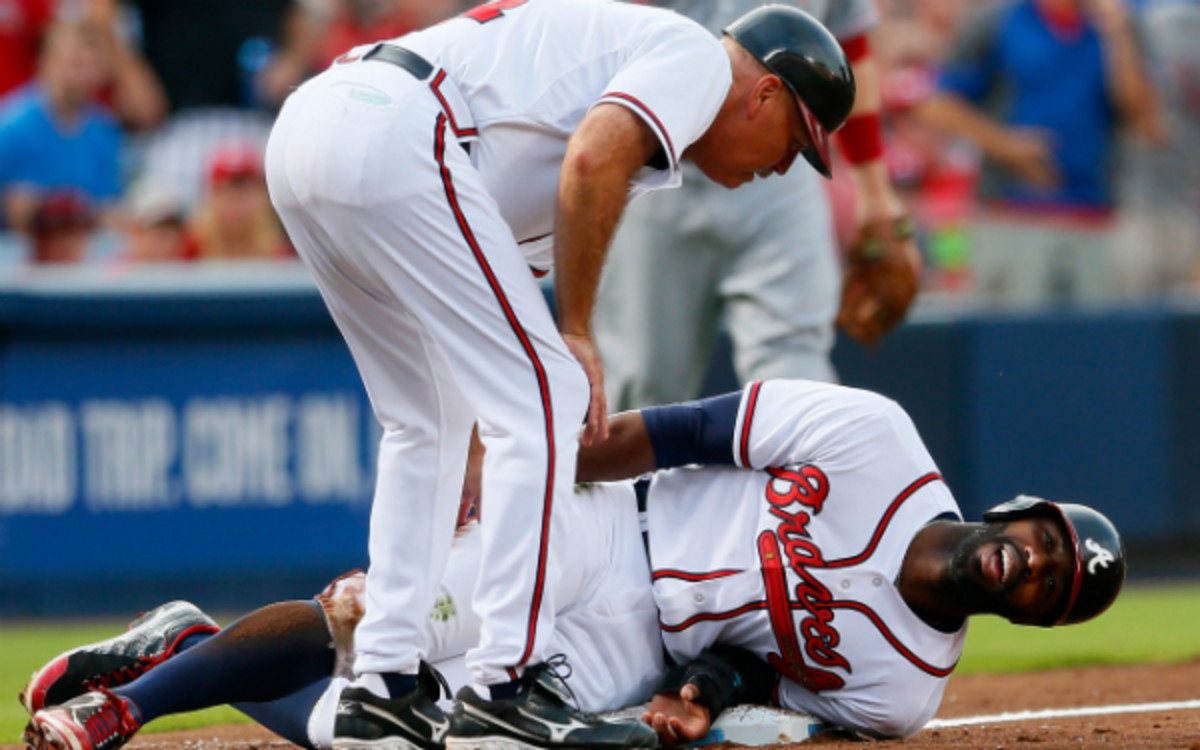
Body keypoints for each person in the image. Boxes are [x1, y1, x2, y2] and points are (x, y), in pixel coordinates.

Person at [264, 2, 855, 749]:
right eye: (795, 140)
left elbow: (509, 276)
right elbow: (591, 156)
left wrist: (486, 463)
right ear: (764, 93)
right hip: (399, 130)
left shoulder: (639, 121)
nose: (782, 166)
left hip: (316, 131)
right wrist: (574, 332)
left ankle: (381, 685)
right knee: (550, 392)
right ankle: (506, 688)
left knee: (431, 422)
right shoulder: (699, 60)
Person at [21, 379, 1128, 750]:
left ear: (1034, 618)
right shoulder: (877, 440)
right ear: (1017, 513)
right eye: (1042, 544)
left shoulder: (903, 694)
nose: (1030, 567)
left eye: (1050, 586)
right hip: (607, 528)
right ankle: (129, 711)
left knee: (383, 732)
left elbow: (756, 680)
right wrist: (522, 465)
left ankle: (194, 642)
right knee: (382, 628)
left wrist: (700, 696)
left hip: (630, 658)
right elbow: (688, 429)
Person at [595, 0, 922, 412]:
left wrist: (876, 195)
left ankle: (804, 478)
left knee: (796, 377)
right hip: (659, 164)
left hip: (782, 169)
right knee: (641, 384)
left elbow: (849, 48)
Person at [916, 0, 1158, 308]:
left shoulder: (1119, 23)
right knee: (1011, 342)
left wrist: (1118, 33)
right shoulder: (999, 19)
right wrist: (1006, 145)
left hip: (1095, 217)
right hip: (1013, 214)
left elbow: (1145, 122)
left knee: (1095, 344)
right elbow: (937, 104)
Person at [0, 21, 123, 234]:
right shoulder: (10, 128)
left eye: (89, 65)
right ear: (45, 62)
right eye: (73, 63)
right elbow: (15, 211)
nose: (79, 75)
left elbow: (111, 208)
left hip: (85, 253)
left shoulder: (105, 131)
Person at [184, 144, 290, 261]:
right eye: (227, 194)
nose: (236, 204)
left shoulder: (282, 251)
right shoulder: (190, 250)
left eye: (244, 194)